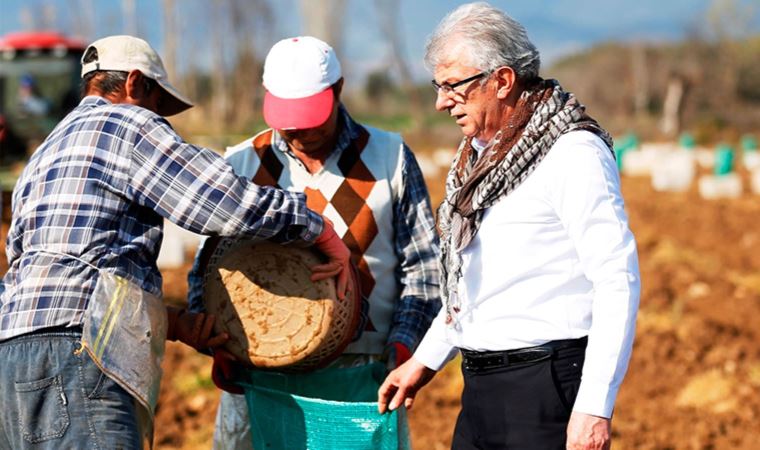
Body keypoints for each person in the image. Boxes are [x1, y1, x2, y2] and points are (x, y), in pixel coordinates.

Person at [0, 35, 352, 450]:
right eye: (155, 103)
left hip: (12, 358)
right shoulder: (127, 122)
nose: (157, 117)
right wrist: (319, 230)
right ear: (134, 83)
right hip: (79, 355)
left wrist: (172, 322)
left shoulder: (45, 153)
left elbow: (55, 268)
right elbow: (220, 203)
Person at [378, 3, 641, 450]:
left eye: (453, 87)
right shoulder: (480, 158)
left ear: (501, 81)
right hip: (481, 388)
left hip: (545, 388)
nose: (442, 102)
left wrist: (595, 405)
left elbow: (617, 278)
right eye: (438, 87)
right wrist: (424, 361)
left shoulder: (571, 152)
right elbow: (474, 285)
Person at [187, 36, 441, 449]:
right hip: (262, 373)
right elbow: (206, 270)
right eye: (287, 119)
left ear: (338, 91)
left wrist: (403, 344)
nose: (298, 131)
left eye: (310, 117)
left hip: (364, 370)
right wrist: (217, 341)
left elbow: (424, 267)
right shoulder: (241, 163)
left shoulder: (388, 157)